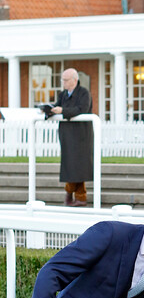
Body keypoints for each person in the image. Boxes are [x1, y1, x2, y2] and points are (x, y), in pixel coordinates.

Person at [50, 68, 94, 207]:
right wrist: (48, 109)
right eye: (62, 80)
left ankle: (74, 195)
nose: (63, 82)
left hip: (81, 135)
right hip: (67, 135)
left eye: (66, 80)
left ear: (74, 80)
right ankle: (78, 197)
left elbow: (82, 109)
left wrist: (63, 111)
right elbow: (57, 106)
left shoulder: (84, 93)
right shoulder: (63, 94)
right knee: (70, 165)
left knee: (78, 166)